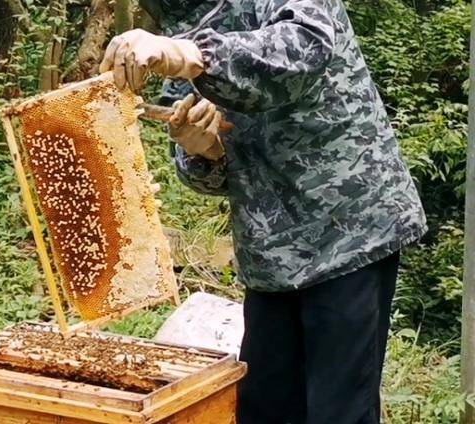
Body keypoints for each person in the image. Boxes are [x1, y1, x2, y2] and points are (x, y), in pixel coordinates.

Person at [100, 0, 427, 422]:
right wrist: (202, 149)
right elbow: (206, 169)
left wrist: (190, 55)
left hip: (347, 230)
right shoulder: (177, 16)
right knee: (263, 409)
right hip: (269, 251)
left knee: (337, 411)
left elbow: (304, 45)